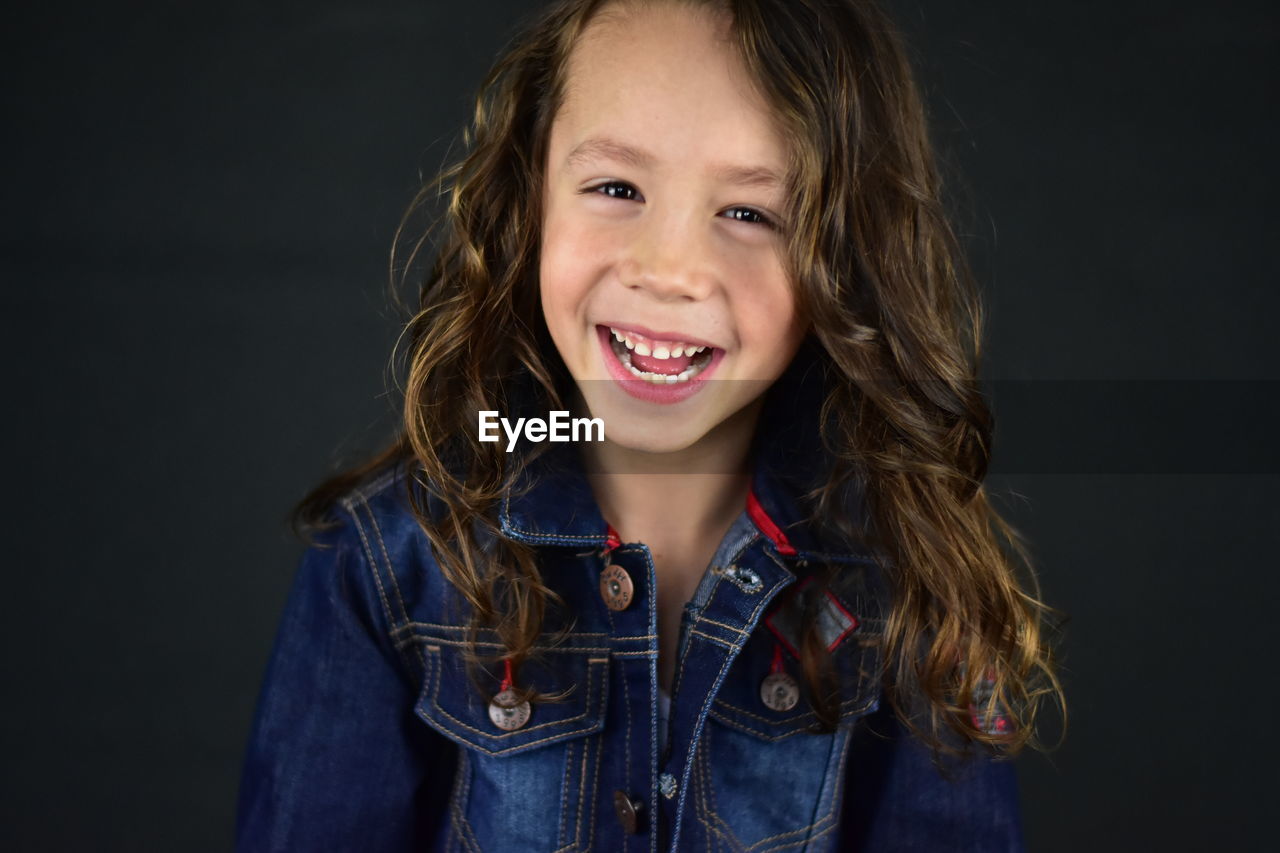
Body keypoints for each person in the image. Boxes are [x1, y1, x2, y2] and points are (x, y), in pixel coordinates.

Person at [236, 0, 1063, 849]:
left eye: (751, 212)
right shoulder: (386, 562)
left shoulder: (907, 576)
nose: (669, 271)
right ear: (529, 200)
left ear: (847, 259)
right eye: (617, 188)